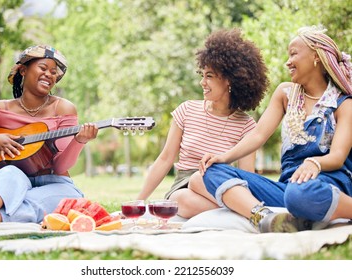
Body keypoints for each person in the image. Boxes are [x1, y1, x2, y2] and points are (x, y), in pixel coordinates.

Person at [197, 25, 352, 233]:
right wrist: (224, 157)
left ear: (316, 56)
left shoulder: (343, 104)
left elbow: (338, 156)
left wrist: (314, 163)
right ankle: (266, 218)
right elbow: (258, 134)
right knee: (211, 172)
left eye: (293, 54)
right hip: (288, 188)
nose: (288, 61)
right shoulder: (285, 94)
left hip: (323, 185)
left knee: (301, 194)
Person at [136, 28, 269, 218]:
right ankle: (245, 212)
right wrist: (139, 201)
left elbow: (246, 175)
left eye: (209, 76)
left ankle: (244, 209)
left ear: (230, 81)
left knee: (213, 186)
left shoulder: (247, 126)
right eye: (202, 74)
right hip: (184, 187)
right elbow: (165, 159)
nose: (202, 82)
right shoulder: (187, 110)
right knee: (181, 199)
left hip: (221, 186)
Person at [0, 45, 98, 228]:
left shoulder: (63, 108)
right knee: (13, 174)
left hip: (52, 180)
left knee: (70, 196)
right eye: (43, 68)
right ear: (23, 70)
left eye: (53, 72)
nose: (49, 75)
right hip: (10, 177)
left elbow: (60, 166)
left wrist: (79, 141)